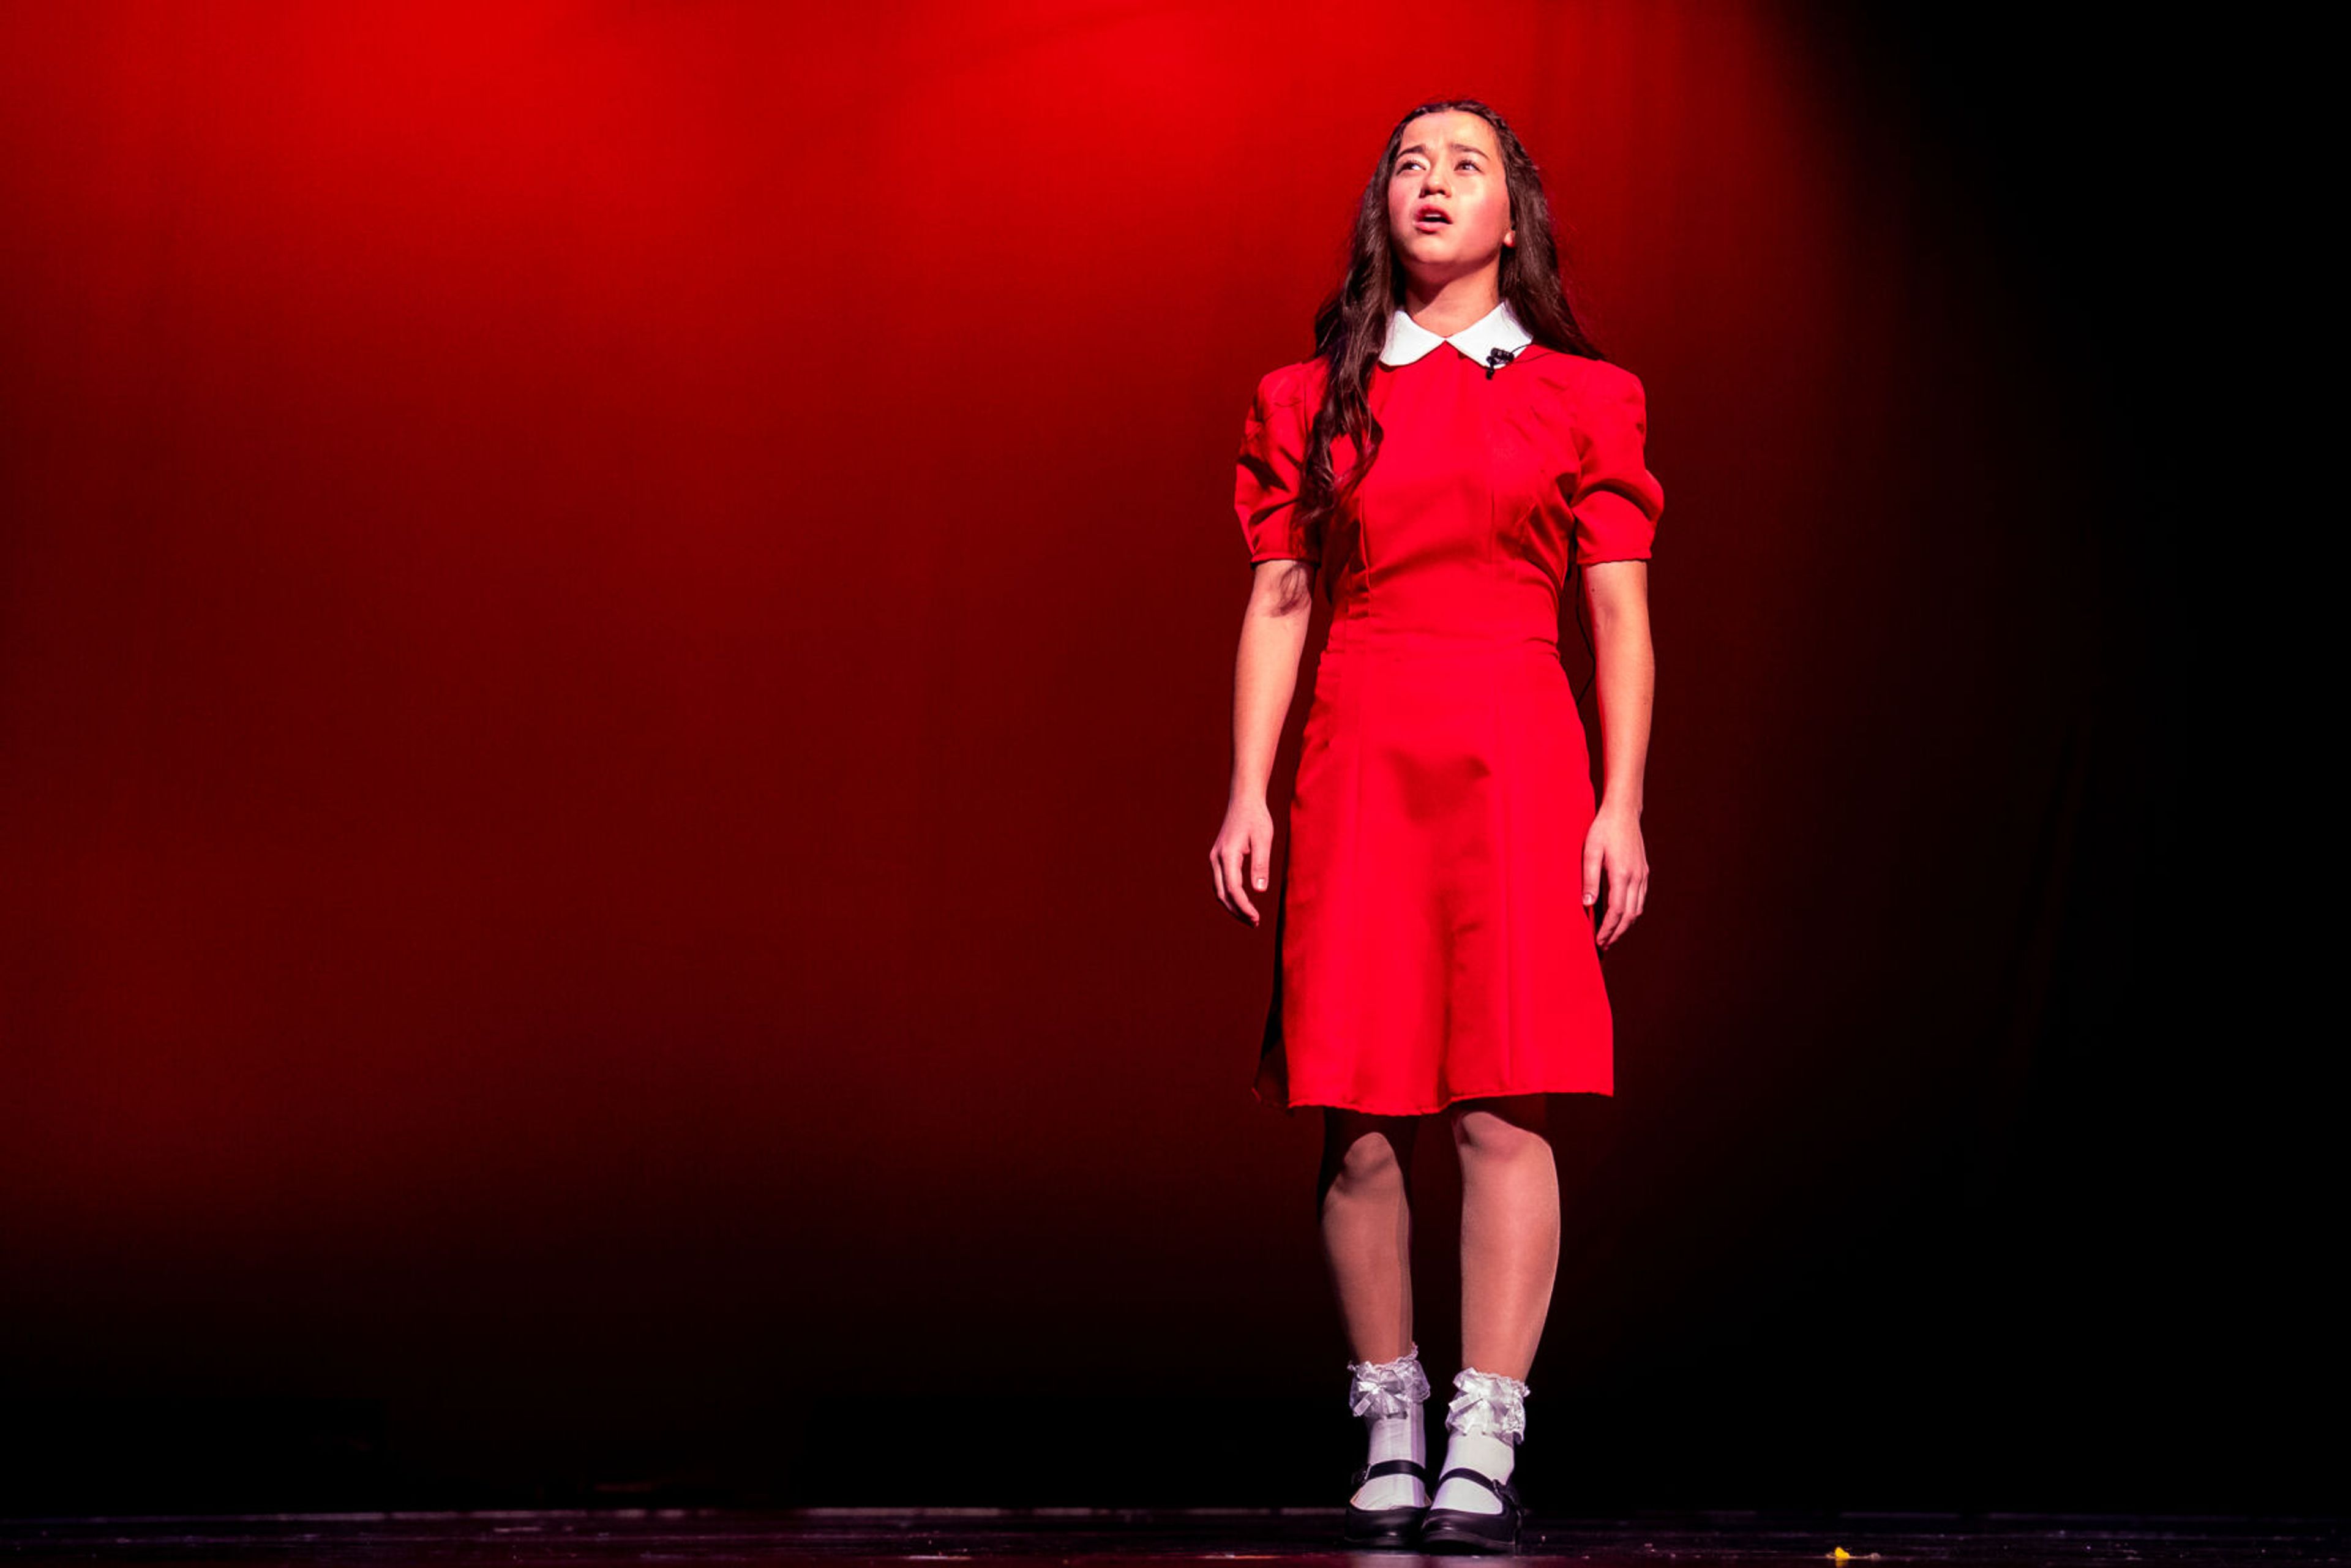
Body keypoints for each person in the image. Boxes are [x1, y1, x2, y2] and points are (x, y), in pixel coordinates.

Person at [1209, 98, 1662, 1553]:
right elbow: (1279, 599)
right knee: (1358, 1116)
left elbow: (1620, 617)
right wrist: (1246, 786)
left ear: (1512, 219)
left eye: (1467, 164)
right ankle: (1389, 1408)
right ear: (1381, 206)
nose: (1434, 182)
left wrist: (1623, 802)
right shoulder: (1307, 398)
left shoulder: (1586, 398)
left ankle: (1489, 1416)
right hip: (1362, 743)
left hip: (1517, 748)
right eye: (1412, 161)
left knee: (1501, 1099)